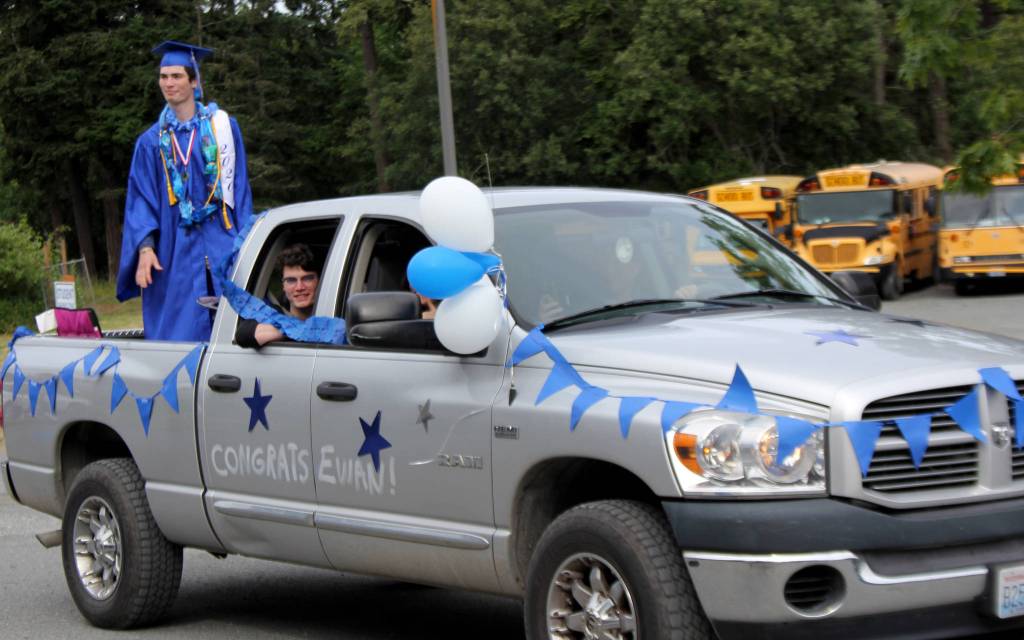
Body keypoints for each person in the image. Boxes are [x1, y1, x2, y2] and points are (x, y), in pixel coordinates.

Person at [116, 40, 253, 341]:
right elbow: (140, 198)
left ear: (194, 81)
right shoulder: (150, 142)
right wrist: (145, 248)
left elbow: (239, 188)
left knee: (233, 323)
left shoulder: (223, 129)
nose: (168, 83)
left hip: (221, 239)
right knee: (177, 328)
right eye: (164, 77)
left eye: (177, 76)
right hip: (173, 247)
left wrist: (244, 239)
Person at [235, 244, 320, 348]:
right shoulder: (275, 314)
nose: (299, 287)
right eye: (291, 280)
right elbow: (244, 335)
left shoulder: (340, 309)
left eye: (307, 278)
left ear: (320, 281)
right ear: (283, 286)